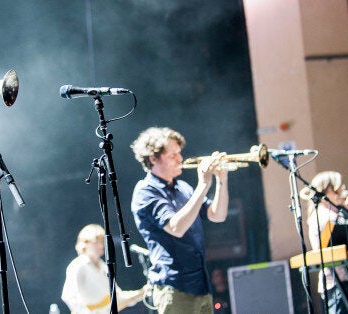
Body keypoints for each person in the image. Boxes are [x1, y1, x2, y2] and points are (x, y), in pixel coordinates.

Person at [129, 127, 229, 314]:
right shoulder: (146, 192)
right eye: (172, 155)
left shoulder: (183, 187)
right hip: (174, 288)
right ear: (153, 158)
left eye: (179, 153)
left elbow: (218, 215)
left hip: (201, 285)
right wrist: (204, 184)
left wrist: (221, 180)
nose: (180, 159)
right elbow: (176, 228)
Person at [299, 171, 348, 314]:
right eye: (337, 187)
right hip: (337, 281)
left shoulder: (336, 214)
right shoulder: (323, 215)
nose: (341, 190)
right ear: (326, 190)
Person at [61, 224, 148, 314]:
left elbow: (117, 296)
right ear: (85, 243)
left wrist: (142, 293)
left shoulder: (104, 266)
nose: (101, 245)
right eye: (96, 242)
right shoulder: (78, 266)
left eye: (102, 241)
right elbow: (68, 296)